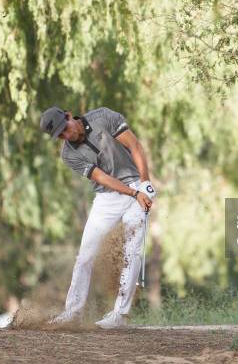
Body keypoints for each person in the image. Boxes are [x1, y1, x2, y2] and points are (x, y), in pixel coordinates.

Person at [39, 106, 156, 329]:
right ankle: (72, 312)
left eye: (65, 129)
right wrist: (133, 193)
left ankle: (119, 316)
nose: (66, 135)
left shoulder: (104, 117)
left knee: (132, 250)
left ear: (68, 115)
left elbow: (135, 146)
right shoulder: (68, 155)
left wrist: (145, 185)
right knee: (85, 256)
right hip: (107, 199)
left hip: (135, 185)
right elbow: (101, 178)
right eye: (60, 135)